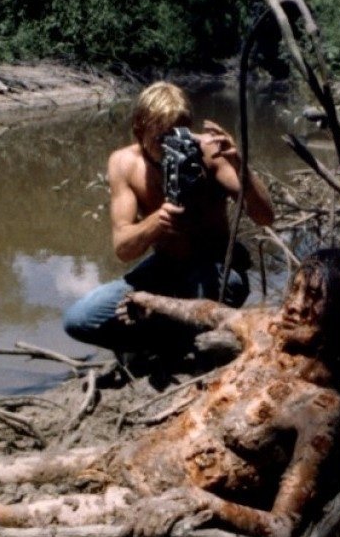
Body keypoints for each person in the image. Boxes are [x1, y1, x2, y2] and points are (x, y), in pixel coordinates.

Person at [0, 249, 340, 537]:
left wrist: (203, 504)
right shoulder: (266, 329)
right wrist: (153, 303)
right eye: (295, 290)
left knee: (0, 518)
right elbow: (211, 312)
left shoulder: (319, 407)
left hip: (144, 500)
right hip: (124, 455)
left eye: (313, 298)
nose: (293, 305)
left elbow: (284, 526)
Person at [62, 81, 275, 354]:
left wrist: (239, 164)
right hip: (164, 267)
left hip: (215, 267)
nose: (172, 146)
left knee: (218, 295)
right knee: (80, 319)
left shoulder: (210, 153)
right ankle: (167, 340)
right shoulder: (124, 163)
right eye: (161, 137)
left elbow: (265, 217)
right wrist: (155, 222)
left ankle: (169, 339)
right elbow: (123, 249)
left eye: (180, 133)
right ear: (139, 130)